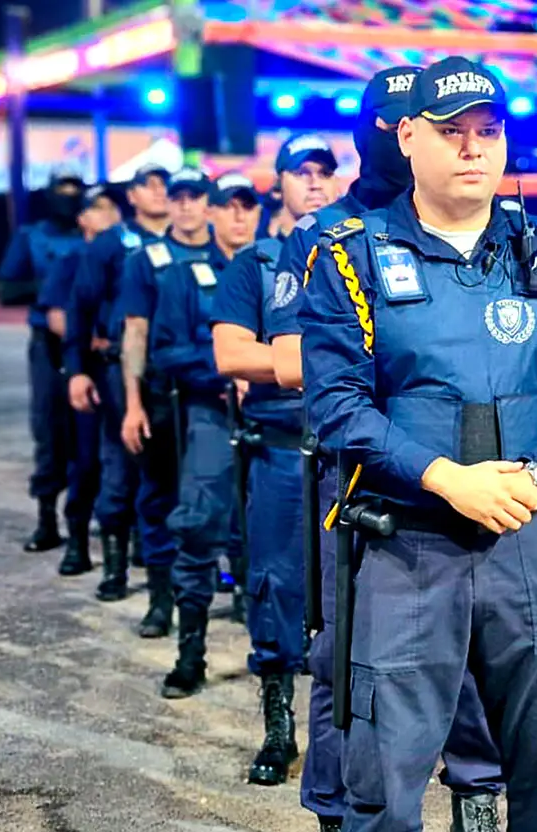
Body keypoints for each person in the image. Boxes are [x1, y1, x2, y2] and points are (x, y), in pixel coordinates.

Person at [302, 56, 537, 832]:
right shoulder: (353, 255)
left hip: (526, 534)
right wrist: (447, 478)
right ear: (408, 137)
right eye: (452, 132)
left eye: (488, 131)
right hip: (407, 540)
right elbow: (337, 405)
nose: (474, 149)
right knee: (386, 752)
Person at [245, 67, 534, 832]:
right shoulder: (329, 235)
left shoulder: (490, 229)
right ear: (391, 132)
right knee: (348, 665)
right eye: (393, 119)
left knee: (478, 662)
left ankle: (477, 815)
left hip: (482, 485)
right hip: (365, 491)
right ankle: (345, 827)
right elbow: (300, 366)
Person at [209, 132, 339, 792]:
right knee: (275, 587)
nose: (314, 181)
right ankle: (279, 724)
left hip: (349, 453)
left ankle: (347, 729)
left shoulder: (355, 251)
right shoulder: (256, 265)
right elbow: (231, 354)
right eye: (300, 171)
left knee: (355, 591)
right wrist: (318, 364)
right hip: (283, 453)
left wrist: (287, 362)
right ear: (278, 184)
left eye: (324, 171)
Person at [151, 172, 261, 698]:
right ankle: (190, 654)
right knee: (197, 527)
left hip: (270, 416)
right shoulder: (182, 276)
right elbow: (165, 351)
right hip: (211, 413)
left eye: (247, 206)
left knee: (273, 534)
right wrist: (225, 369)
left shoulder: (278, 265)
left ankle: (276, 651)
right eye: (228, 206)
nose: (238, 215)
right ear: (212, 213)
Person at [117, 168, 214, 638]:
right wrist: (132, 404)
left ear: (209, 204)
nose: (186, 205)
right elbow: (135, 332)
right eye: (178, 197)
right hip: (162, 395)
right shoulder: (145, 261)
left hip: (213, 395)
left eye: (196, 197)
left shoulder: (228, 254)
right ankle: (160, 601)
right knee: (158, 498)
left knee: (215, 501)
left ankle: (222, 589)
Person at [68, 165, 173, 600]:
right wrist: (77, 369)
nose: (159, 192)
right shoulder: (113, 243)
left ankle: (166, 564)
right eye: (149, 185)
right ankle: (115, 569)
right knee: (120, 466)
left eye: (165, 185)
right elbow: (80, 306)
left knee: (171, 472)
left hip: (174, 371)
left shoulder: (189, 240)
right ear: (131, 196)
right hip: (118, 369)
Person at [0, 168, 90, 553]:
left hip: (92, 343)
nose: (69, 197)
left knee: (92, 435)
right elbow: (6, 287)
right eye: (62, 190)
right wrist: (56, 287)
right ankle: (47, 517)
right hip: (49, 344)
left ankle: (92, 521)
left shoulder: (97, 235)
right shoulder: (31, 236)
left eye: (75, 190)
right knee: (50, 429)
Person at [37, 183, 122, 576]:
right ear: (83, 218)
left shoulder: (129, 254)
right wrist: (92, 345)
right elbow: (58, 316)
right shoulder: (72, 259)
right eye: (99, 208)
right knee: (84, 459)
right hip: (86, 367)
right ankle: (76, 540)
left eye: (112, 208)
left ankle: (128, 544)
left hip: (123, 370)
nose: (109, 215)